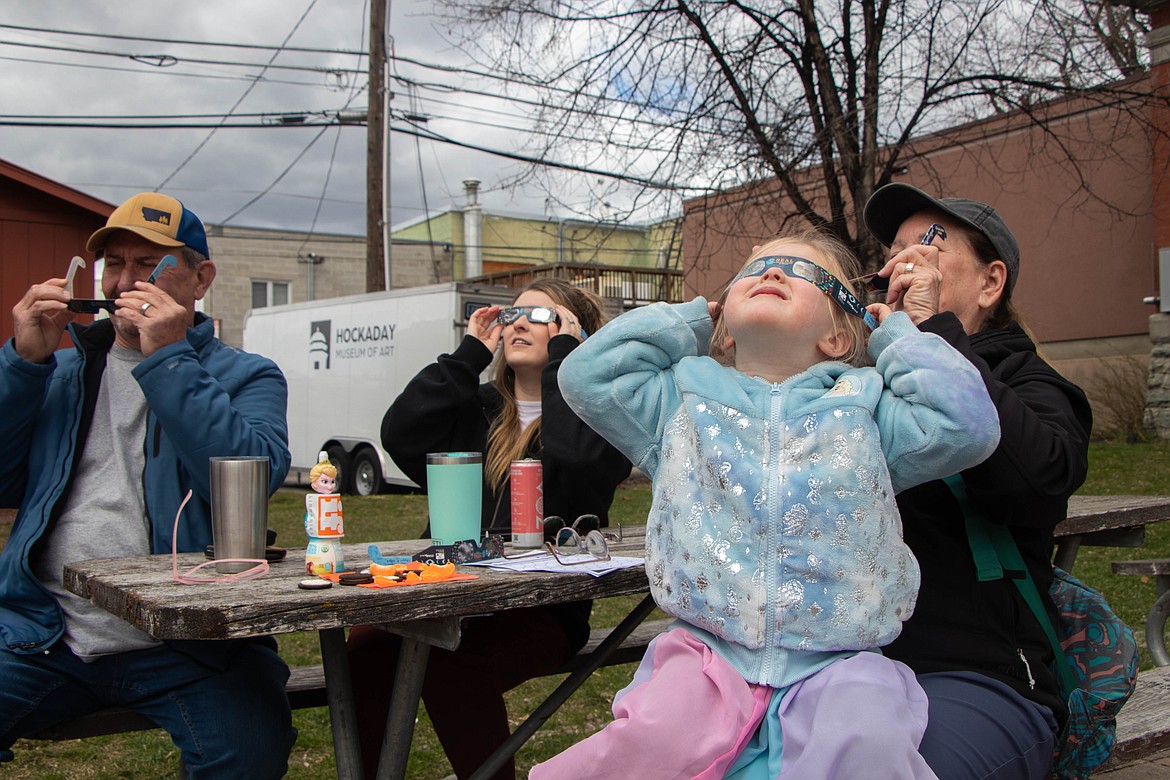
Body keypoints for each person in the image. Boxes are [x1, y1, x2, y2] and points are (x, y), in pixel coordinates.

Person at [533, 227, 1001, 779]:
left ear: (837, 335)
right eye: (751, 271)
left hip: (841, 663)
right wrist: (695, 316)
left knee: (869, 748)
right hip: (705, 658)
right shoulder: (677, 404)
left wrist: (893, 334)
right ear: (725, 327)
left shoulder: (868, 413)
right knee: (647, 745)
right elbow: (586, 375)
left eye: (800, 271)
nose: (771, 273)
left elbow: (970, 424)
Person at [0, 193, 296, 778]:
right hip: (44, 633)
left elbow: (249, 477)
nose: (125, 281)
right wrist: (21, 366)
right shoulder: (58, 371)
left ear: (200, 278)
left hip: (191, 642)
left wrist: (170, 357)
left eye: (148, 265)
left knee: (249, 753)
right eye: (115, 264)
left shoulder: (246, 375)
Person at [347, 278, 632, 780]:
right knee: (366, 649)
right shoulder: (473, 407)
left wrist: (568, 364)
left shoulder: (595, 417)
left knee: (449, 662)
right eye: (512, 316)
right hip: (451, 593)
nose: (518, 323)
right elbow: (399, 434)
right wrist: (465, 356)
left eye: (542, 317)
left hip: (540, 610)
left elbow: (582, 465)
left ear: (573, 334)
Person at [861, 183, 1093, 779]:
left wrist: (932, 335)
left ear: (991, 284)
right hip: (847, 671)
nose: (903, 264)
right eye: (896, 251)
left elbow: (1038, 482)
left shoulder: (1031, 381)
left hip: (980, 675)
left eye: (929, 250)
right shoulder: (861, 384)